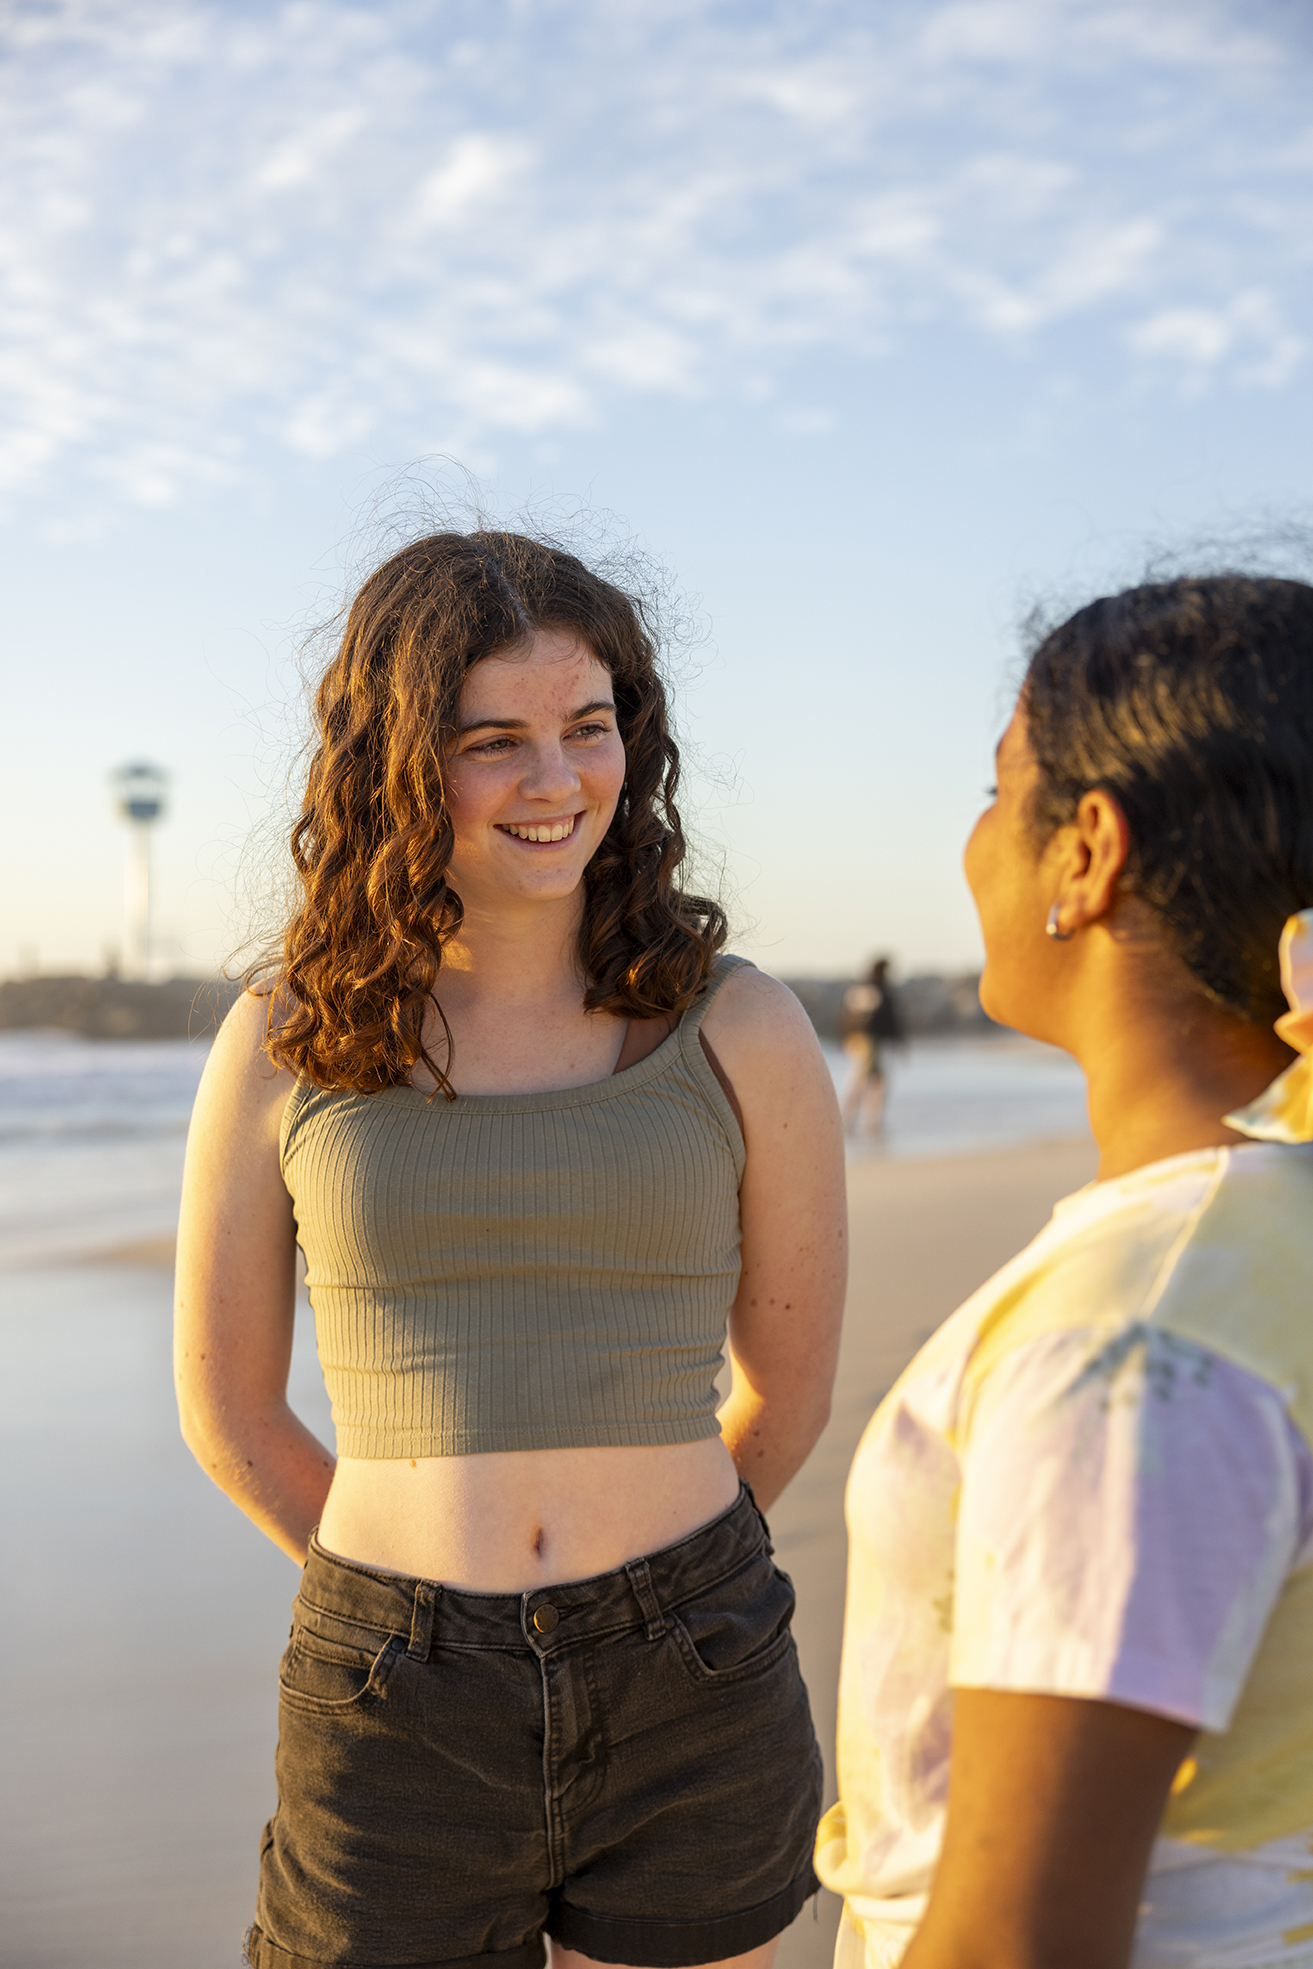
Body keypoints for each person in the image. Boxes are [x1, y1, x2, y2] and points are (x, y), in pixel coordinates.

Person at [174, 531, 846, 1969]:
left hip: (697, 1677)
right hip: (392, 1702)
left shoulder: (741, 1029)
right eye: (495, 742)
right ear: (397, 765)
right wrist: (407, 1590)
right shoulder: (283, 1041)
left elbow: (784, 1393)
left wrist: (651, 1582)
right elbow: (227, 1410)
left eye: (586, 728)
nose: (556, 783)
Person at [816, 573, 1313, 1969]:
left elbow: (1017, 1941)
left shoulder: (1142, 1343)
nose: (973, 843)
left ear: (1086, 850)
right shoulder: (1269, 1239)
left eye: (995, 789)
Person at [840, 958, 903, 1136]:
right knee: (868, 1081)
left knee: (865, 1080)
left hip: (861, 1041)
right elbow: (882, 1020)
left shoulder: (862, 989)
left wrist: (846, 1039)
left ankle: (855, 1120)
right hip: (870, 1042)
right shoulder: (875, 990)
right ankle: (864, 1120)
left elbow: (846, 1018)